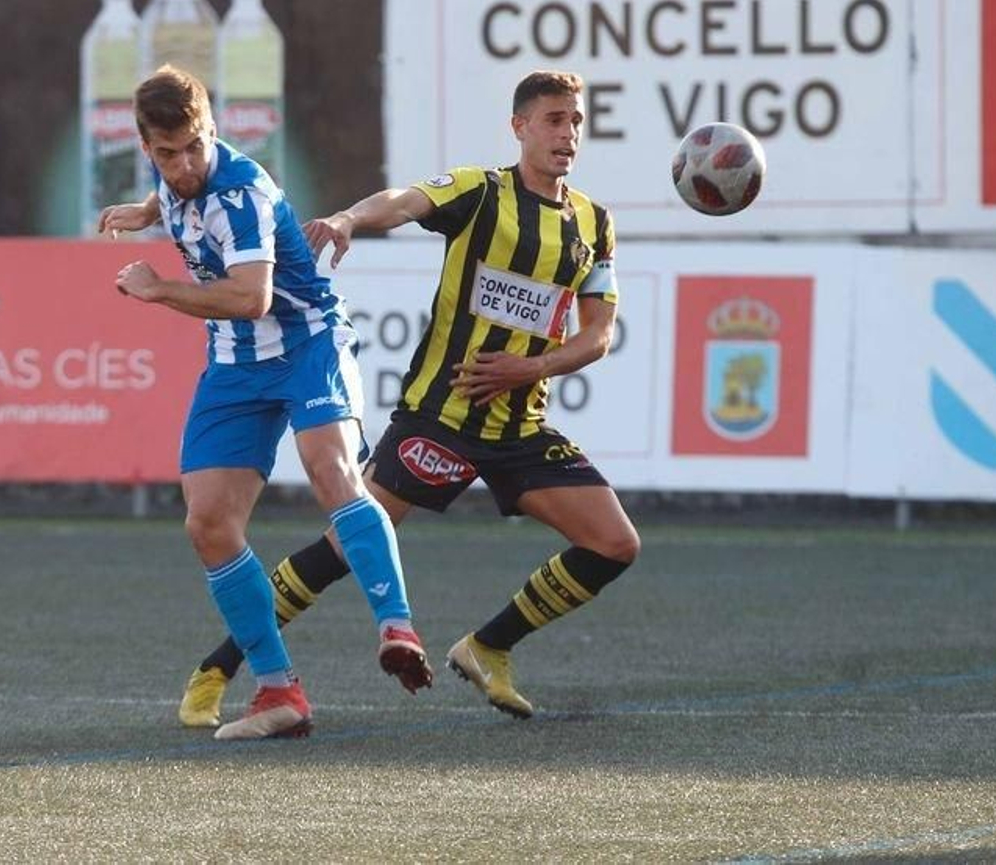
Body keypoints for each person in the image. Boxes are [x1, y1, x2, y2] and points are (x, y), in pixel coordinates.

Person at [175, 68, 638, 725]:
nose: (568, 134)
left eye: (577, 122)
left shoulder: (594, 222)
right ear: (521, 127)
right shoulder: (482, 191)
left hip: (520, 428)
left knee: (615, 544)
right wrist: (348, 217)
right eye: (554, 120)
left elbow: (597, 336)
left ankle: (488, 647)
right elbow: (406, 201)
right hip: (440, 419)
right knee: (346, 544)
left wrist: (525, 370)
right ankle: (219, 665)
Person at [99, 65, 429, 742]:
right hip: (235, 363)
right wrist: (147, 209)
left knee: (330, 471)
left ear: (212, 129)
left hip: (307, 342)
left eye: (195, 146)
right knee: (208, 523)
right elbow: (176, 193)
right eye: (167, 154)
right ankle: (279, 692)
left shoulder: (241, 193)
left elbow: (251, 297)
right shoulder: (170, 176)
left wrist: (159, 289)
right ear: (146, 147)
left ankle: (397, 627)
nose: (185, 164)